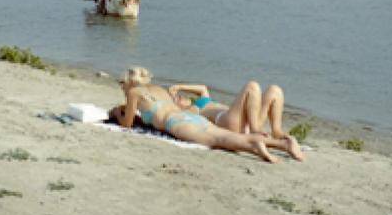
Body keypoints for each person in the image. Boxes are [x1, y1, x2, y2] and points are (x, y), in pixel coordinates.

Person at [109, 67, 303, 162]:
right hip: (194, 118)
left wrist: (118, 114)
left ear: (128, 84)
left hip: (176, 122)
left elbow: (127, 124)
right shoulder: (159, 89)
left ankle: (254, 145)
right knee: (223, 135)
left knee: (216, 140)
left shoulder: (134, 93)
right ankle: (282, 144)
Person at [168, 81, 289, 140]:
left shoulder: (201, 100)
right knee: (252, 87)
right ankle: (254, 130)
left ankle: (276, 131)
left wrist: (179, 86)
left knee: (275, 90)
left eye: (179, 95)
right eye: (177, 99)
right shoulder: (188, 111)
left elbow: (203, 89)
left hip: (245, 119)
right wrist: (176, 106)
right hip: (228, 121)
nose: (180, 96)